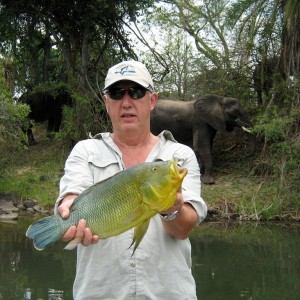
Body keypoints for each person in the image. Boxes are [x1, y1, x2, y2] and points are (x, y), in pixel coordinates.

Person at [55, 60, 207, 299]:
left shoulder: (179, 157)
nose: (126, 102)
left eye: (136, 92)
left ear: (152, 100)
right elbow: (72, 195)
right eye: (116, 93)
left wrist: (171, 209)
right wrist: (67, 214)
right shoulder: (85, 151)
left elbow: (184, 229)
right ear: (106, 103)